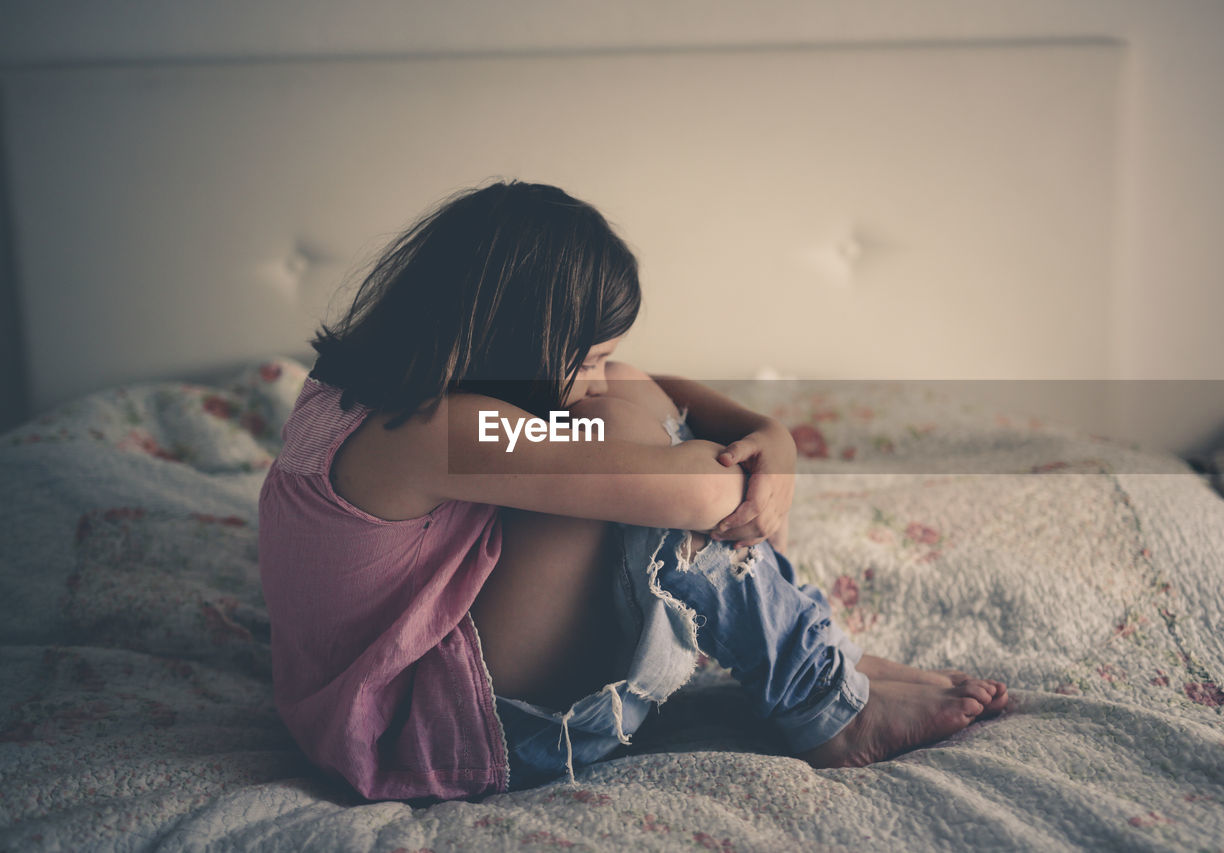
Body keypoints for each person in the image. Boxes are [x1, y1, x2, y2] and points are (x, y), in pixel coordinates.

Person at [257, 180, 1008, 802]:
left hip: (394, 705)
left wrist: (763, 430)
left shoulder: (369, 386)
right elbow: (700, 496)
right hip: (443, 741)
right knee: (649, 492)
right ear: (516, 344)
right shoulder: (436, 432)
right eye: (585, 357)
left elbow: (632, 385)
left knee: (630, 426)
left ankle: (821, 662)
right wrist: (736, 459)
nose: (596, 377)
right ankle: (827, 704)